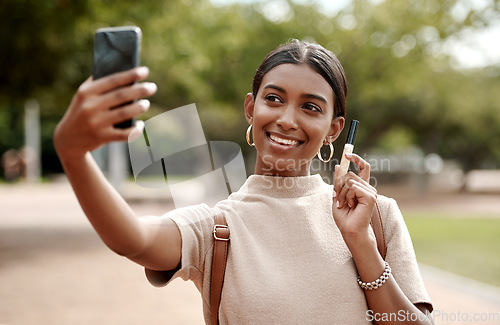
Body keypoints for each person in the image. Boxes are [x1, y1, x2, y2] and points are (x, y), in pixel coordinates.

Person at [54, 39, 434, 324]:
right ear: (251, 109)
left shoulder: (376, 217)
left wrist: (361, 243)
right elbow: (133, 239)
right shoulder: (217, 228)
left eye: (310, 107)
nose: (287, 118)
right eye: (274, 99)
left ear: (334, 129)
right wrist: (73, 155)